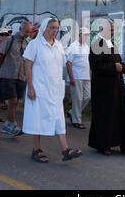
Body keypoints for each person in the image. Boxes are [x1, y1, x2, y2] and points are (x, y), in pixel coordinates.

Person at [23, 17, 82, 163]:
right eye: (52, 27)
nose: (55, 30)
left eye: (56, 28)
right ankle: (36, 149)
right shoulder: (35, 45)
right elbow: (28, 67)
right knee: (38, 119)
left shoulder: (59, 46)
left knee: (58, 119)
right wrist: (30, 87)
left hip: (54, 90)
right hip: (39, 89)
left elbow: (60, 66)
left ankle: (65, 150)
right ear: (44, 28)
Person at [88, 20, 125, 155]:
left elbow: (116, 63)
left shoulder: (112, 44)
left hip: (116, 87)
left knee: (121, 116)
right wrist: (114, 67)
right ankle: (103, 145)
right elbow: (96, 67)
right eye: (110, 30)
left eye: (113, 30)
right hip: (103, 89)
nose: (112, 33)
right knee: (105, 117)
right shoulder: (96, 45)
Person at [0, 21, 32, 136]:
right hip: (9, 75)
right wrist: (1, 70)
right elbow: (1, 55)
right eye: (26, 31)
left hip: (20, 76)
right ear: (21, 29)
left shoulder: (26, 44)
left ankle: (7, 124)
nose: (28, 34)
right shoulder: (9, 40)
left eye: (29, 32)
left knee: (14, 103)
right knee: (13, 101)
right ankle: (13, 125)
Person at [66, 27, 91, 129]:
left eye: (87, 35)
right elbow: (68, 63)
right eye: (84, 35)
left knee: (87, 96)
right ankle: (77, 120)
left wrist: (90, 75)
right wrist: (71, 77)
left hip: (86, 77)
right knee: (78, 99)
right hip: (76, 76)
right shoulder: (73, 46)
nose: (86, 37)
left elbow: (88, 63)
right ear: (79, 35)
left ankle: (72, 112)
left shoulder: (87, 47)